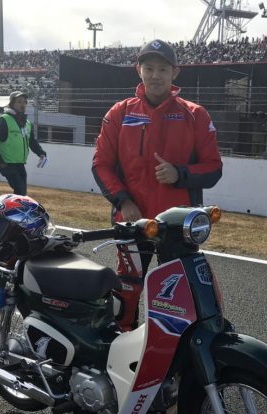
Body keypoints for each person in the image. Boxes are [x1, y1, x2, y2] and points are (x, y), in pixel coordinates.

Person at [92, 39, 223, 330]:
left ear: (174, 73)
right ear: (138, 70)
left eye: (163, 69)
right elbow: (101, 164)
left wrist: (180, 174)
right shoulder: (120, 112)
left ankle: (174, 350)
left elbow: (214, 168)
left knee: (178, 294)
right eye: (149, 68)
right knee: (127, 290)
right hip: (132, 222)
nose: (155, 75)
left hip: (178, 226)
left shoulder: (195, 114)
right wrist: (123, 201)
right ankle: (121, 342)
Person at [0, 91, 46, 196]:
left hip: (20, 164)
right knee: (21, 191)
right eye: (19, 102)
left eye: (24, 102)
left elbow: (32, 141)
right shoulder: (4, 120)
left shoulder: (27, 123)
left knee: (21, 194)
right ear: (12, 104)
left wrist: (41, 153)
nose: (22, 104)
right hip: (8, 164)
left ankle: (13, 206)